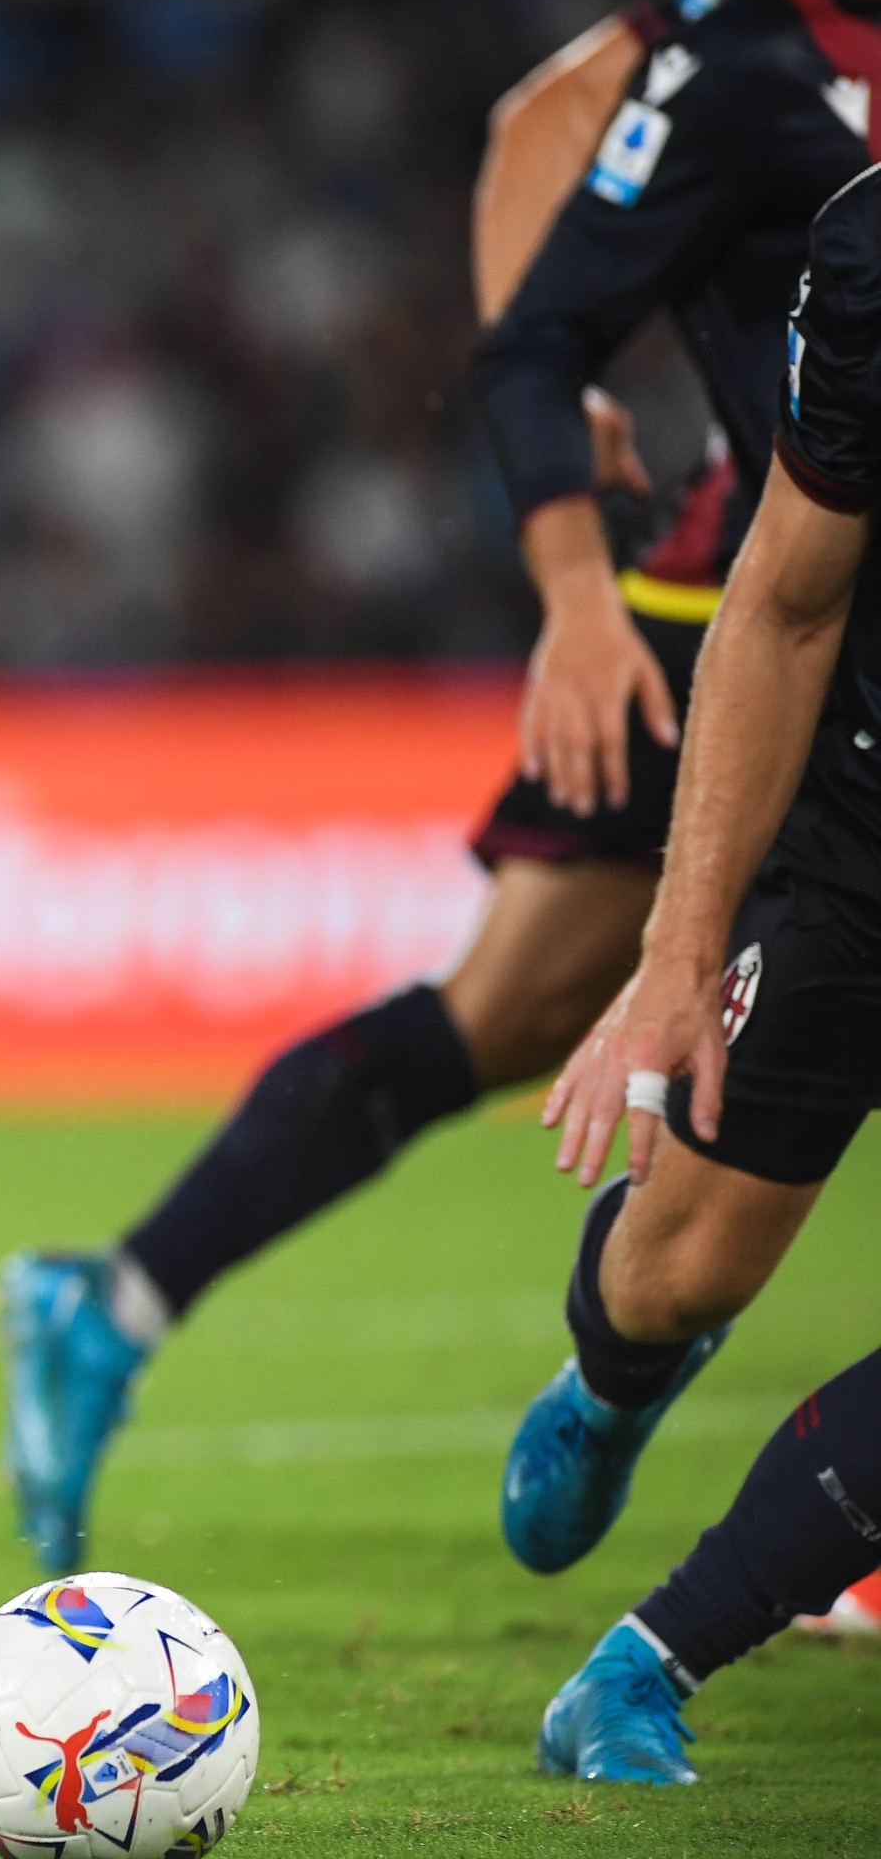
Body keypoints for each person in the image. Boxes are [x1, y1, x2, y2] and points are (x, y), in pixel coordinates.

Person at [0, 0, 881, 1577]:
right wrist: (570, 596)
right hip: (748, 615)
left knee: (593, 1036)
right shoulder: (734, 48)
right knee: (530, 1018)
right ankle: (118, 1296)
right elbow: (536, 193)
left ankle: (118, 1294)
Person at [521, 155, 881, 1785]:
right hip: (867, 839)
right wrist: (677, 960)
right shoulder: (875, 251)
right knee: (683, 1271)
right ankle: (619, 1366)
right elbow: (787, 606)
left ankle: (644, 1664)